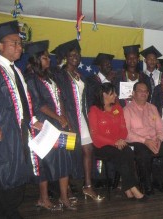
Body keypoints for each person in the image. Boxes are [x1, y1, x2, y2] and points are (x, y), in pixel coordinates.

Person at [0, 20, 42, 218]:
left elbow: (24, 101)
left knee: (17, 171)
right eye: (14, 43)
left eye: (20, 43)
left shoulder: (17, 71)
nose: (19, 47)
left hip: (20, 129)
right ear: (0, 46)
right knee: (3, 172)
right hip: (2, 129)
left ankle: (9, 210)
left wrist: (33, 120)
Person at [24, 40, 76, 210]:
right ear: (36, 60)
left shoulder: (51, 76)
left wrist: (64, 118)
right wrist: (58, 118)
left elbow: (60, 98)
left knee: (65, 161)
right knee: (44, 163)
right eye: (45, 58)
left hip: (59, 124)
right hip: (44, 126)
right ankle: (43, 199)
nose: (49, 61)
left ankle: (64, 197)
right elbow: (39, 105)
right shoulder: (31, 79)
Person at [55, 39, 103, 201]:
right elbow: (58, 98)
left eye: (77, 54)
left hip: (81, 118)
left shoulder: (80, 76)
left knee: (88, 150)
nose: (75, 57)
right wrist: (65, 119)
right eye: (72, 54)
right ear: (66, 57)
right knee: (67, 153)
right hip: (67, 120)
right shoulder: (60, 74)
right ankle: (65, 189)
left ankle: (88, 186)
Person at [88, 82, 147, 201]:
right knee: (121, 154)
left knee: (128, 152)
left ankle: (128, 188)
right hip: (102, 145)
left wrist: (120, 139)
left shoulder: (117, 107)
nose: (116, 95)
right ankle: (133, 188)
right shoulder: (94, 110)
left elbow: (123, 128)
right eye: (113, 93)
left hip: (119, 142)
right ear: (104, 94)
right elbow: (95, 136)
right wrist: (114, 142)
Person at [124, 81, 163, 195]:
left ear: (148, 94)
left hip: (155, 139)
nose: (143, 93)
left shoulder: (153, 108)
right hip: (138, 141)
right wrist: (145, 141)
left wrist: (159, 138)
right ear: (133, 93)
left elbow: (160, 128)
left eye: (146, 91)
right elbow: (126, 134)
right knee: (143, 156)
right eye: (140, 91)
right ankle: (146, 185)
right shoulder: (127, 110)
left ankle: (160, 181)